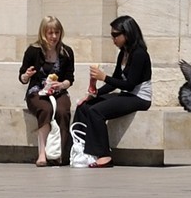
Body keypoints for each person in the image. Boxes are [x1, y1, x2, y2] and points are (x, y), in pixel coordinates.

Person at [72, 16, 152, 165]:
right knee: (84, 106)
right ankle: (81, 148)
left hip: (139, 98)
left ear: (127, 34)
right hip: (127, 95)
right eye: (112, 35)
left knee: (97, 111)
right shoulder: (123, 53)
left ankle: (103, 155)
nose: (113, 39)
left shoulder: (140, 54)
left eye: (116, 35)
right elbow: (114, 82)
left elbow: (129, 84)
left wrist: (104, 77)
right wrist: (93, 94)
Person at [20, 15, 76, 166]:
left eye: (56, 33)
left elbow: (70, 78)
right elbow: (22, 77)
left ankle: (60, 154)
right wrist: (27, 75)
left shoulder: (66, 52)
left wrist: (62, 85)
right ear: (43, 33)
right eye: (50, 33)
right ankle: (42, 153)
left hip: (58, 91)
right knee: (45, 109)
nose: (54, 37)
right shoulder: (33, 51)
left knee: (63, 111)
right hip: (37, 91)